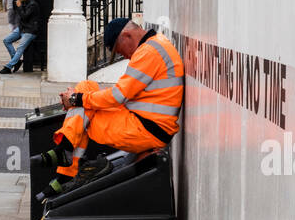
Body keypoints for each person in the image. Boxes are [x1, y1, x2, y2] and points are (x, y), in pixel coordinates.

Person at [34, 17, 184, 199]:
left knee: (83, 113)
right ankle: (66, 156)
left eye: (119, 50)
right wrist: (80, 98)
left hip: (146, 130)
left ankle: (65, 163)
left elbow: (118, 96)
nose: (124, 56)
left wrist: (75, 99)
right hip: (143, 122)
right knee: (86, 87)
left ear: (126, 35)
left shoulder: (149, 53)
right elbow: (119, 95)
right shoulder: (154, 46)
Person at [0, 0, 39, 74]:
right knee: (6, 40)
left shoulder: (32, 5)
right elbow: (16, 11)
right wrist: (18, 5)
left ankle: (9, 66)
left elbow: (24, 16)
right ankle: (16, 61)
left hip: (30, 30)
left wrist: (20, 6)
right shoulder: (22, 2)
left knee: (20, 47)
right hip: (22, 28)